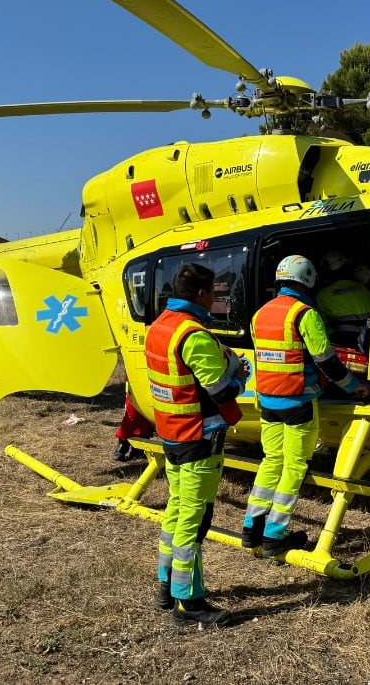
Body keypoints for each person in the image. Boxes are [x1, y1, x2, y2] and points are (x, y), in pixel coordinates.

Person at [241, 255, 370, 557]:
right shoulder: (305, 314)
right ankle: (276, 533)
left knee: (271, 460)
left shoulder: (259, 315)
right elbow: (327, 361)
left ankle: (252, 528)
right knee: (294, 465)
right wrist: (357, 388)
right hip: (298, 402)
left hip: (267, 401)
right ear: (310, 280)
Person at [147, 262, 249, 628]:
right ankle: (189, 604)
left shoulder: (159, 328)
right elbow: (220, 391)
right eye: (216, 294)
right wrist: (239, 378)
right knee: (194, 520)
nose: (216, 300)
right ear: (204, 294)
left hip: (172, 434)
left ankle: (166, 585)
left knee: (176, 511)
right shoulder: (194, 336)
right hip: (200, 438)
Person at [316, 252, 370, 349]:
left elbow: (320, 326)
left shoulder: (323, 295)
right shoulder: (363, 289)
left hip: (343, 344)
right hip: (369, 341)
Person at [111, 382, 154, 462]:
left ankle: (137, 450)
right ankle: (122, 447)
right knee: (133, 414)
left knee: (146, 416)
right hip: (136, 384)